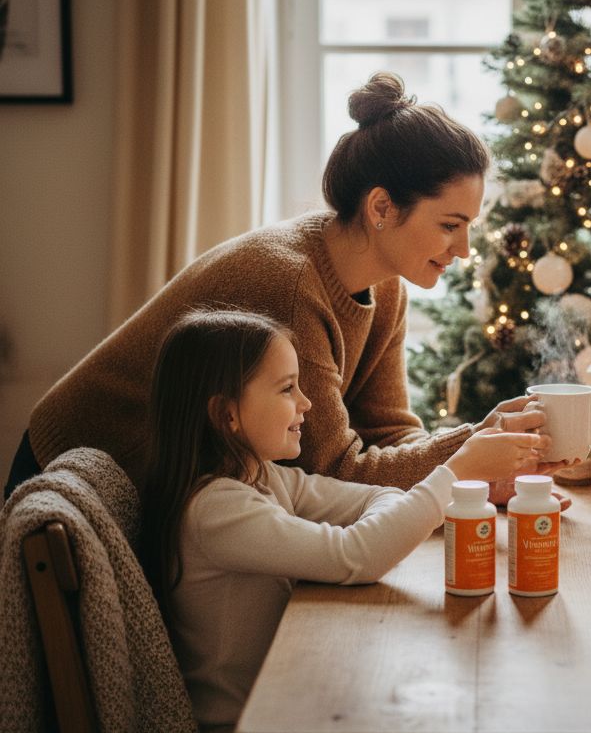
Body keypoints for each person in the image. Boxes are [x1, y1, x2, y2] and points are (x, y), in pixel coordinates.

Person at [8, 72, 545, 502]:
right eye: (450, 225)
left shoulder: (387, 285)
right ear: (381, 207)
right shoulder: (289, 285)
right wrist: (470, 446)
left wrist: (475, 478)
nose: (465, 249)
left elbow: (387, 434)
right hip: (87, 478)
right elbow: (331, 471)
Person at [140, 308, 545, 733]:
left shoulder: (265, 478)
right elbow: (358, 554)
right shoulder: (217, 510)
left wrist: (396, 514)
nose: (306, 403)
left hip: (290, 719)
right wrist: (458, 470)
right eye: (287, 389)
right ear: (227, 414)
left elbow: (372, 500)